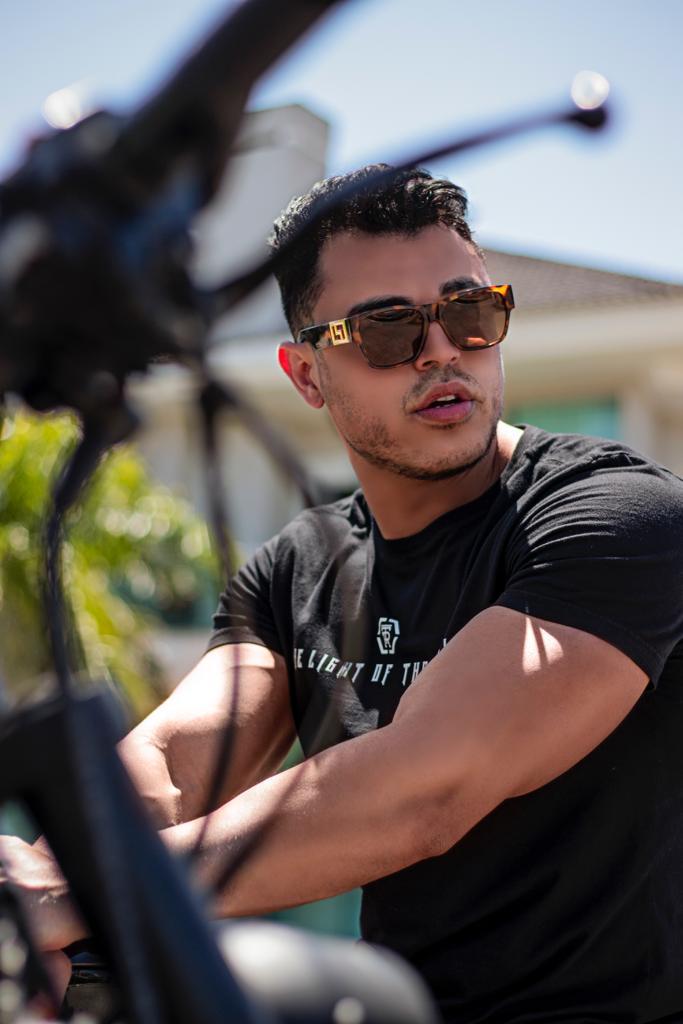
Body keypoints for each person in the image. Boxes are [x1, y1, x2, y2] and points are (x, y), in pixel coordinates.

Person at [5, 165, 683, 1022]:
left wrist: (93, 890)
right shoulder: (301, 564)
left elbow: (419, 790)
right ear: (306, 375)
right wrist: (47, 878)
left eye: (470, 313)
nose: (441, 351)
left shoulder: (618, 516)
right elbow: (178, 759)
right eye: (386, 328)